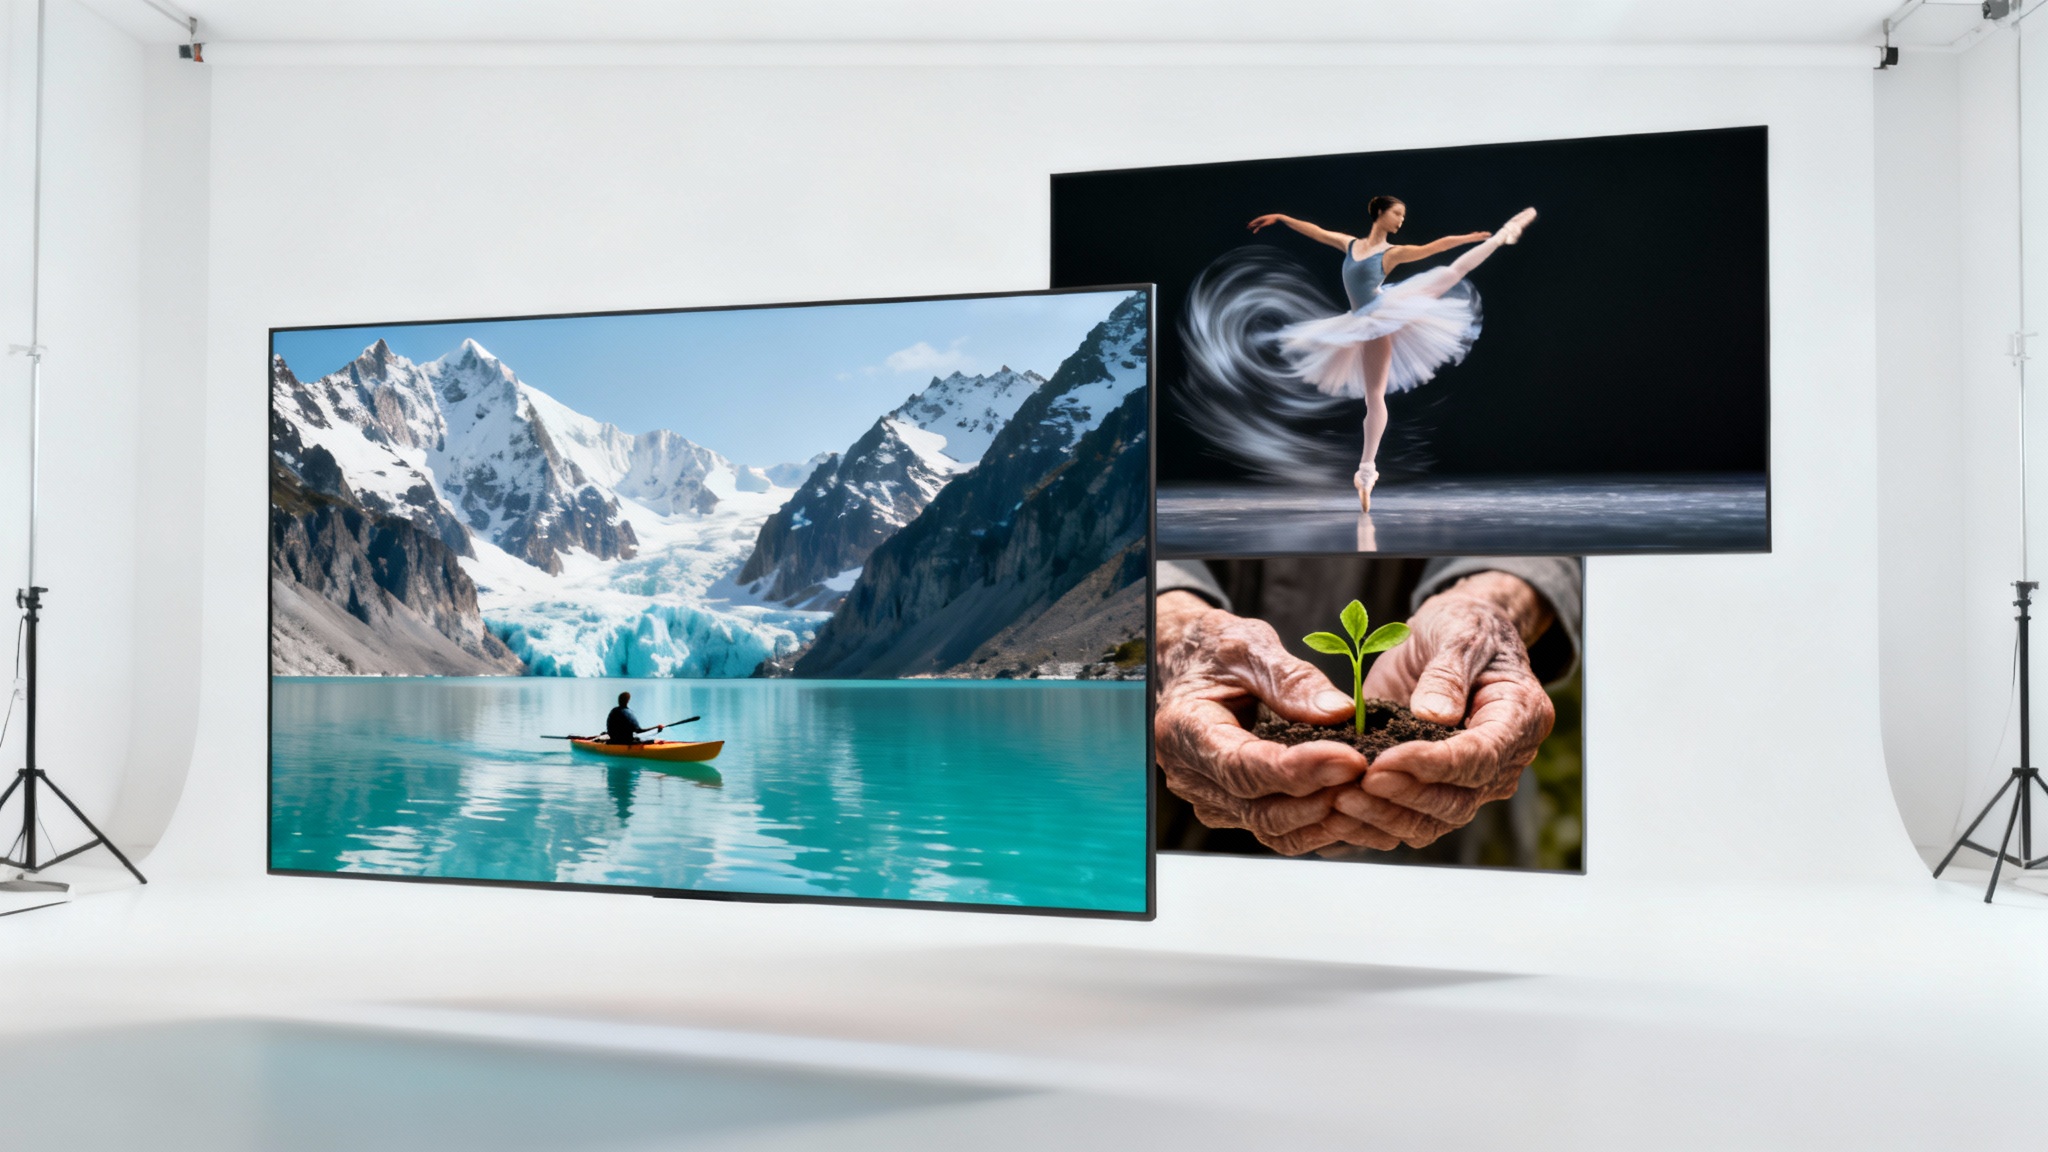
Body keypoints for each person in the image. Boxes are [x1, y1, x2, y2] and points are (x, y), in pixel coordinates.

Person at [1153, 557, 1578, 858]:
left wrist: (1491, 607)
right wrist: (1167, 624)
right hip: (1171, 823)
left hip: (1442, 832)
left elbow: (1549, 507)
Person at [1247, 199, 1537, 511]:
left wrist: (1466, 238)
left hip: (1383, 312)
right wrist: (1282, 217)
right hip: (1362, 319)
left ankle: (1502, 235)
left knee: (1453, 271)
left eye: (1403, 216)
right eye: (1397, 213)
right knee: (1373, 397)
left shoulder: (1392, 253)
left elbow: (1432, 248)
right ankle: (1366, 474)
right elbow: (1316, 232)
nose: (1401, 220)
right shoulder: (1350, 244)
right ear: (1380, 213)